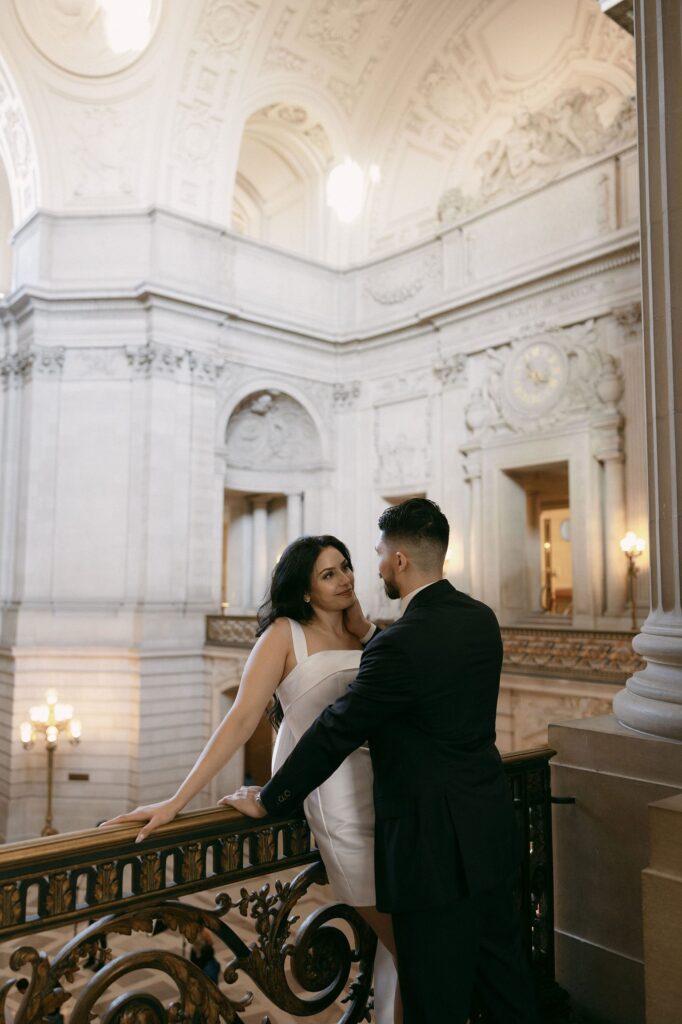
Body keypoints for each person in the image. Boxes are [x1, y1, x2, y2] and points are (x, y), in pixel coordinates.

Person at [223, 498, 539, 1024]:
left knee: (434, 1000)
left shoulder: (401, 646)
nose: (364, 570)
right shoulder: (480, 620)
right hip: (487, 833)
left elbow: (335, 731)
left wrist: (274, 797)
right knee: (506, 986)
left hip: (428, 852)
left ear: (398, 562)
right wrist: (368, 633)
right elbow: (424, 680)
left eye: (371, 556)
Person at [100, 534, 399, 1023]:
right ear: (304, 590)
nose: (345, 578)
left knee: (403, 942)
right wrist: (176, 801)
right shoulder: (283, 635)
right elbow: (239, 720)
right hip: (333, 800)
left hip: (383, 791)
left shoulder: (360, 631)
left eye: (345, 567)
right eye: (328, 574)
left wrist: (366, 630)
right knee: (407, 943)